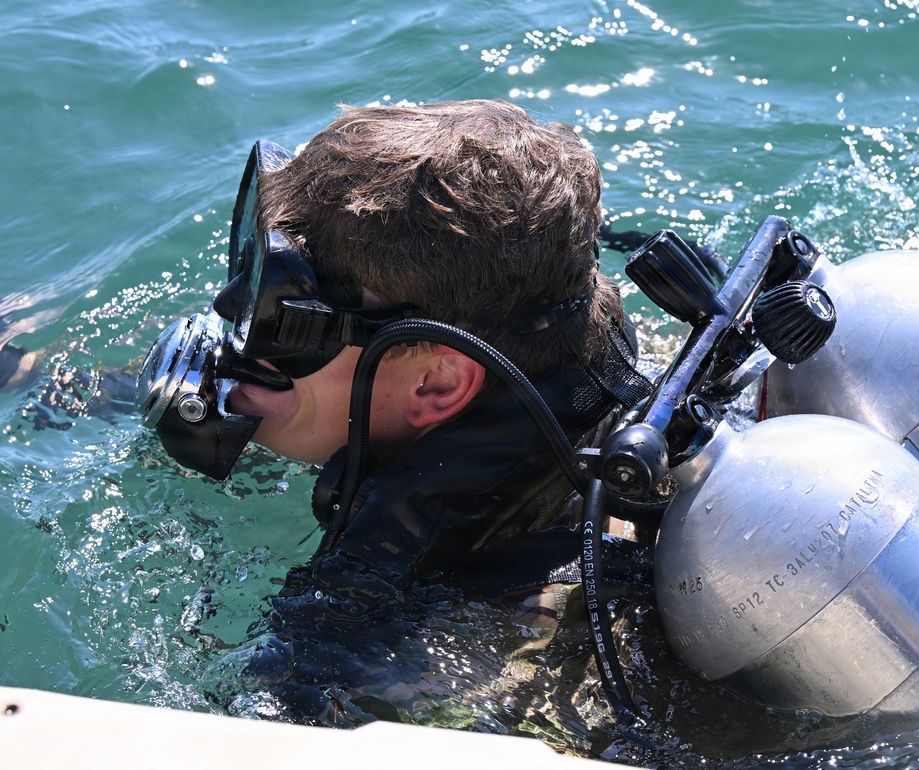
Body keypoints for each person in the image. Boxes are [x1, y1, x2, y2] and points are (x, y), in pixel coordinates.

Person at [145, 99, 662, 744]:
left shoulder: (448, 664)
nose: (233, 314)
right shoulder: (577, 377)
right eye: (256, 271)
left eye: (285, 313)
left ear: (435, 383)